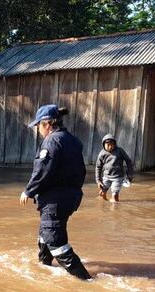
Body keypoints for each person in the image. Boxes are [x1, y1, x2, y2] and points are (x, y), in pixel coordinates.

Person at [20, 104, 91, 280]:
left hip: (55, 200)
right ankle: (44, 267)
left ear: (47, 124)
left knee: (55, 241)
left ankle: (86, 280)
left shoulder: (52, 141)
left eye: (38, 126)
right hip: (69, 197)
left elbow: (43, 170)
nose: (38, 130)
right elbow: (81, 171)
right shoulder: (72, 140)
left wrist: (28, 191)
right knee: (45, 233)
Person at [96, 134, 134, 202]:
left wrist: (129, 174)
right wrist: (98, 180)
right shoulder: (102, 153)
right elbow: (98, 167)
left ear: (115, 144)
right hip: (106, 177)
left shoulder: (120, 151)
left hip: (117, 177)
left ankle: (114, 208)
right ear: (104, 144)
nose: (110, 147)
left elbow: (128, 161)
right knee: (102, 194)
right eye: (108, 145)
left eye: (112, 144)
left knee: (115, 196)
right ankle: (104, 206)